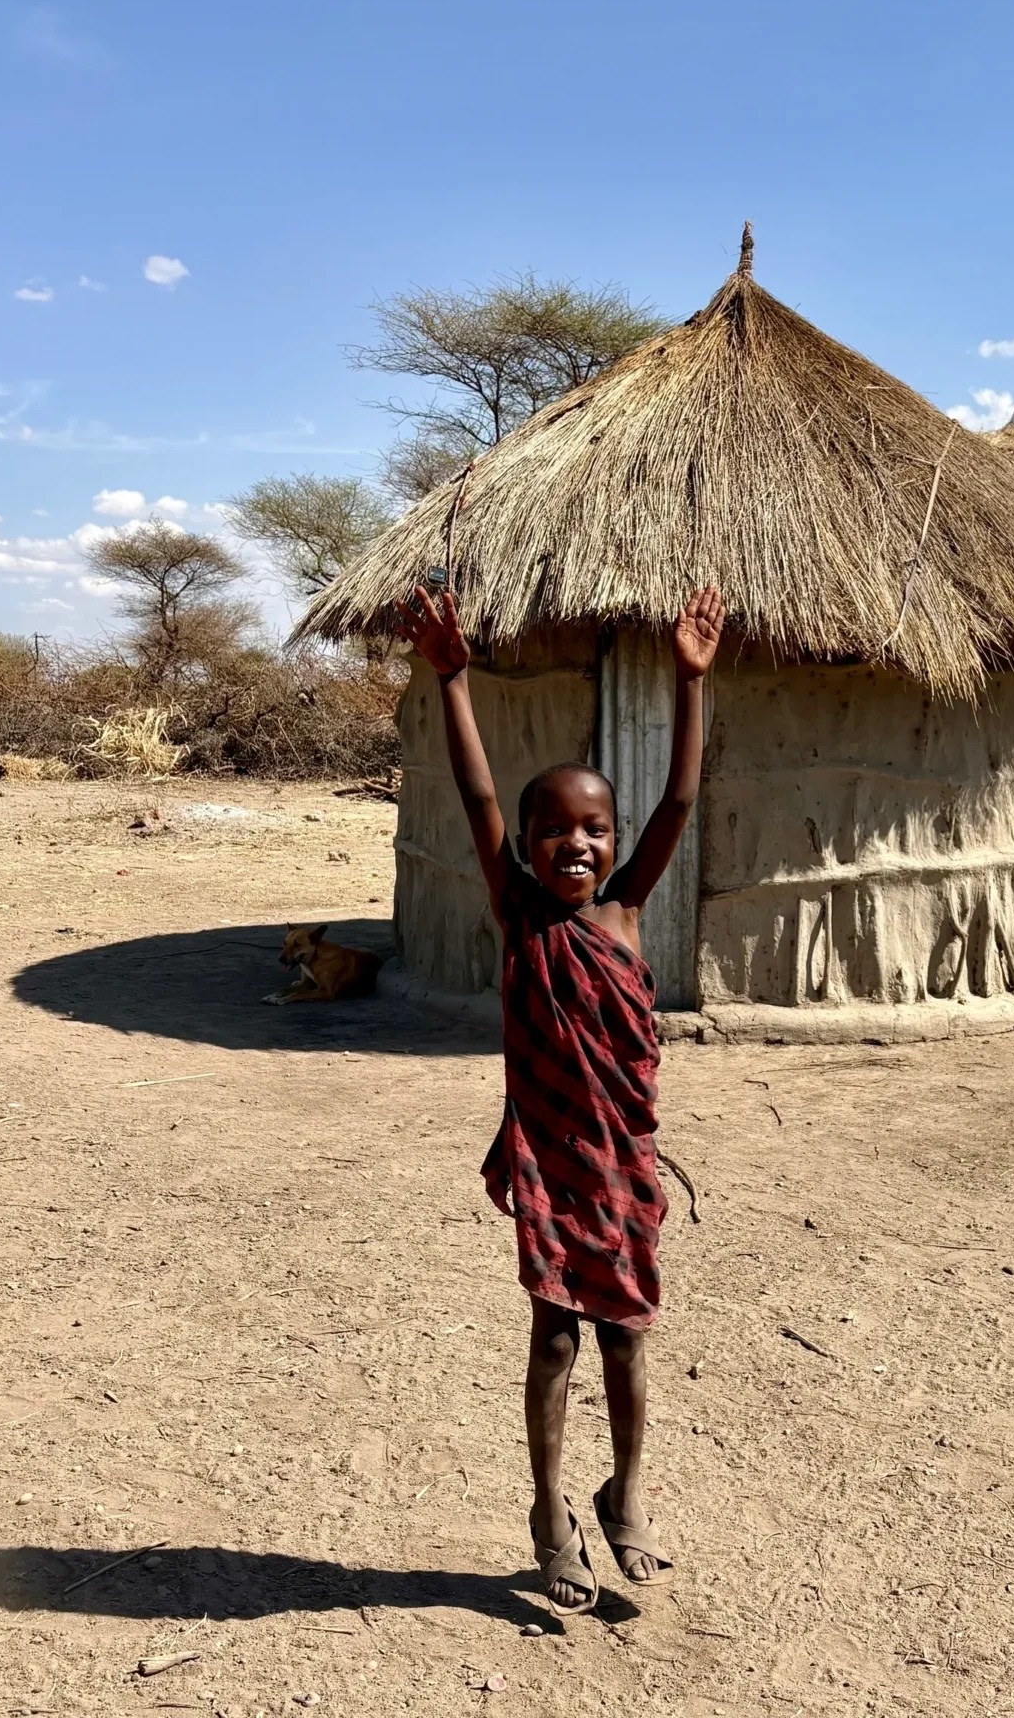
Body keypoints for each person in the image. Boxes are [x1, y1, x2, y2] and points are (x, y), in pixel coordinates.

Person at [393, 581, 725, 1615]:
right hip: (545, 1153)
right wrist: (452, 680)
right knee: (553, 1337)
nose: (574, 845)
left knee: (628, 1333)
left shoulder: (624, 912)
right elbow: (477, 795)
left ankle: (625, 1496)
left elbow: (678, 803)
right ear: (529, 844)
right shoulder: (519, 913)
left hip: (621, 1163)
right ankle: (547, 1515)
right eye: (553, 832)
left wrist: (685, 681)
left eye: (592, 830)